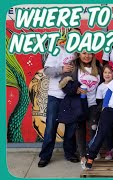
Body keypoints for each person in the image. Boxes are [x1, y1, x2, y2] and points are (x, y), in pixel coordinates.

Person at [38, 28, 80, 168]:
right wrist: (62, 69)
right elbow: (47, 70)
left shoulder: (80, 53)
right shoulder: (57, 50)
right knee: (50, 127)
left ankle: (70, 153)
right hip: (55, 95)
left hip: (72, 96)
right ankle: (45, 156)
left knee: (71, 127)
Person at [58, 50, 102, 169]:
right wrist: (75, 89)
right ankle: (83, 156)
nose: (87, 56)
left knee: (94, 128)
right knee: (80, 129)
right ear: (79, 55)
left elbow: (104, 84)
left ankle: (92, 152)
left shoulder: (98, 66)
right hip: (78, 104)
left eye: (90, 53)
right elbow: (63, 83)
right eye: (84, 53)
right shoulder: (73, 66)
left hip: (94, 104)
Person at [95, 62, 113, 161]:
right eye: (105, 72)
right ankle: (109, 149)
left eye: (109, 72)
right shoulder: (100, 87)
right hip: (106, 113)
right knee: (108, 132)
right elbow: (99, 102)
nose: (107, 74)